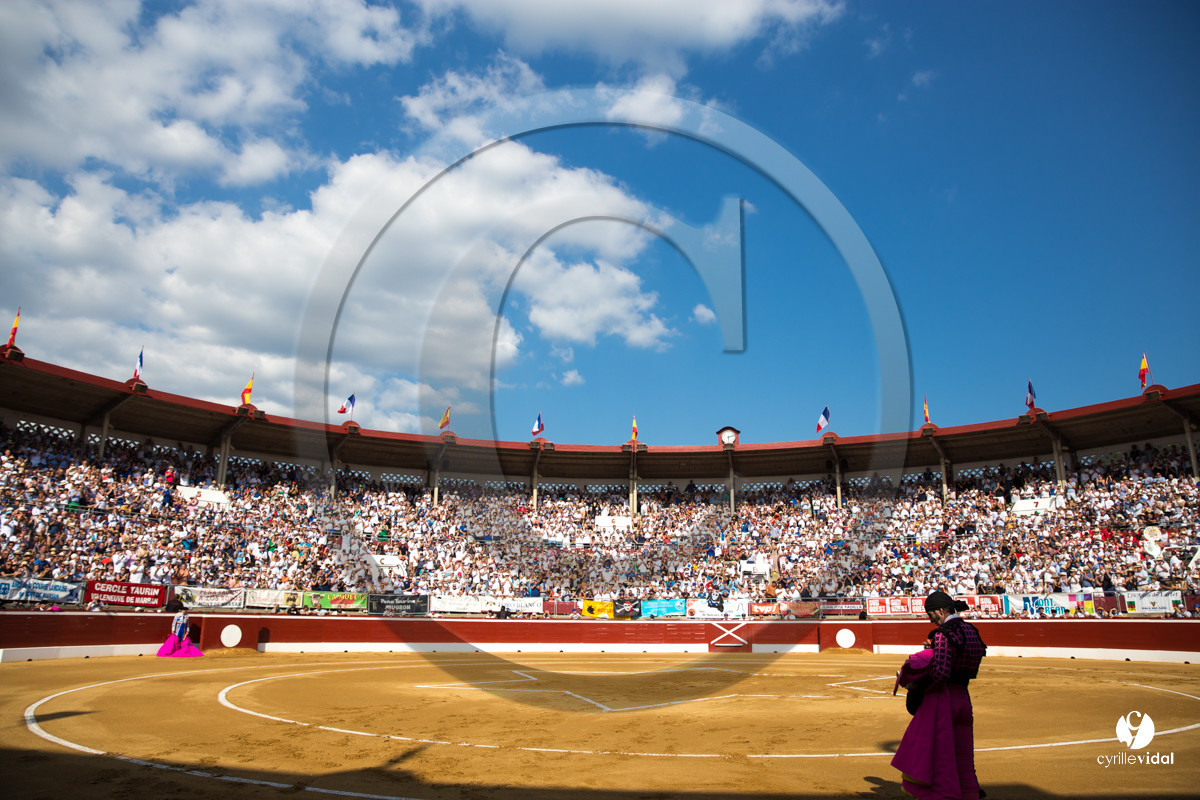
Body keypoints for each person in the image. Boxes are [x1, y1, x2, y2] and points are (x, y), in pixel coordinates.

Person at [891, 590, 987, 800]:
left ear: (941, 610)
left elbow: (941, 672)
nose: (930, 619)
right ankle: (970, 794)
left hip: (945, 701)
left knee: (942, 757)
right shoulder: (972, 631)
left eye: (931, 614)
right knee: (964, 758)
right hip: (964, 698)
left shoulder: (944, 634)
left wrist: (919, 686)